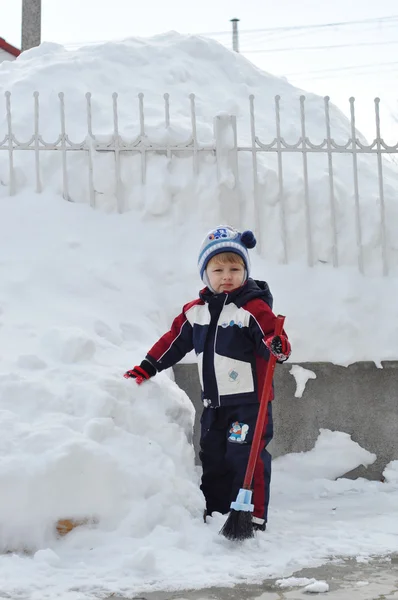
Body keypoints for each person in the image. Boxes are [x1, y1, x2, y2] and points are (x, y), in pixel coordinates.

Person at [124, 225, 291, 531]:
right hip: (213, 404)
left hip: (248, 403)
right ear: (205, 273)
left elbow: (272, 338)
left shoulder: (252, 308)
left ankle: (251, 515)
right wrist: (147, 367)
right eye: (218, 269)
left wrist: (277, 346)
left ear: (245, 271)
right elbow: (172, 343)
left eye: (234, 268)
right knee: (213, 456)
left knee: (246, 457)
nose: (227, 275)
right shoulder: (195, 312)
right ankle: (215, 510)